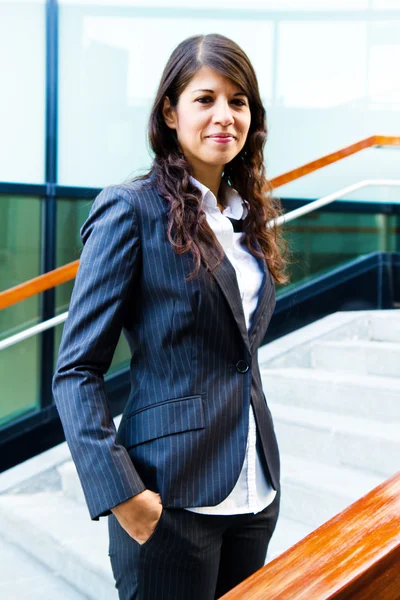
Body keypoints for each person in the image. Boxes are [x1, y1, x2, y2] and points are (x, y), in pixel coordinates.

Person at [52, 33, 288, 600]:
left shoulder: (247, 219)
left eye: (238, 101)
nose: (224, 115)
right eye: (205, 99)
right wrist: (122, 495)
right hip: (169, 499)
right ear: (170, 110)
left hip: (253, 493)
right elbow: (76, 370)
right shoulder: (129, 209)